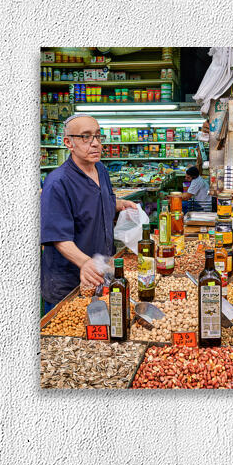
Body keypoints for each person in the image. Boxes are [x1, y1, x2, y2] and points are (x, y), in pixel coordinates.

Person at [40, 113, 138, 314]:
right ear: (69, 143)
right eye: (85, 137)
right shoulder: (57, 183)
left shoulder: (100, 169)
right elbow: (58, 237)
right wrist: (85, 262)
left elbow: (94, 201)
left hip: (100, 274)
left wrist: (118, 204)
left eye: (98, 136)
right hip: (69, 283)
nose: (95, 144)